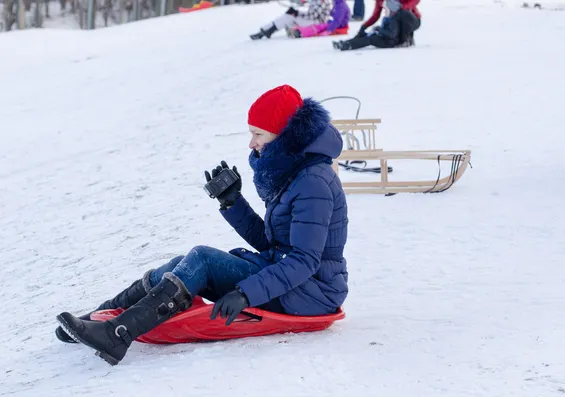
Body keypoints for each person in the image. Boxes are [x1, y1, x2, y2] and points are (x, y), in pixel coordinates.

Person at [55, 85, 350, 366]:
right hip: (295, 282)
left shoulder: (313, 182)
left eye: (258, 134)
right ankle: (100, 318)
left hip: (312, 292)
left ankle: (116, 335)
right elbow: (273, 245)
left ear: (283, 135)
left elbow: (304, 260)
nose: (251, 143)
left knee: (203, 259)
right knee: (180, 263)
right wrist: (233, 203)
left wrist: (247, 293)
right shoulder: (296, 171)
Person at [332, 0, 420, 50]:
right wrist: (364, 27)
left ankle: (406, 39)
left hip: (411, 19)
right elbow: (375, 16)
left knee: (402, 14)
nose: (384, 10)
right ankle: (347, 43)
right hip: (392, 31)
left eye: (385, 9)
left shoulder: (394, 14)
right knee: (368, 36)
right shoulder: (386, 13)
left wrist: (403, 7)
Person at [250, 0, 333, 40]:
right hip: (312, 20)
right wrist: (295, 12)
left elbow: (312, 15)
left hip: (318, 23)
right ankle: (266, 31)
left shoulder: (323, 1)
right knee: (288, 16)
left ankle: (266, 31)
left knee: (289, 17)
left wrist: (296, 12)